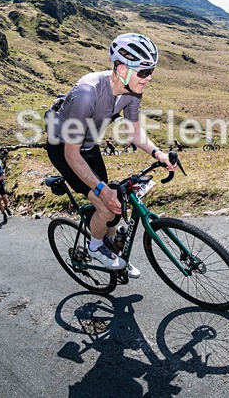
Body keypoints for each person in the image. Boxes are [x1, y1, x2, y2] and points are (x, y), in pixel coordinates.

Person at [45, 33, 177, 278]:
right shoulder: (87, 93)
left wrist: (157, 153)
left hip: (87, 144)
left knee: (116, 205)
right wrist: (100, 190)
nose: (149, 78)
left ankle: (110, 246)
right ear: (121, 68)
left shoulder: (132, 91)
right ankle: (94, 247)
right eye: (144, 72)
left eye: (152, 71)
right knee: (106, 204)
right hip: (64, 149)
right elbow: (71, 154)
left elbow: (134, 132)